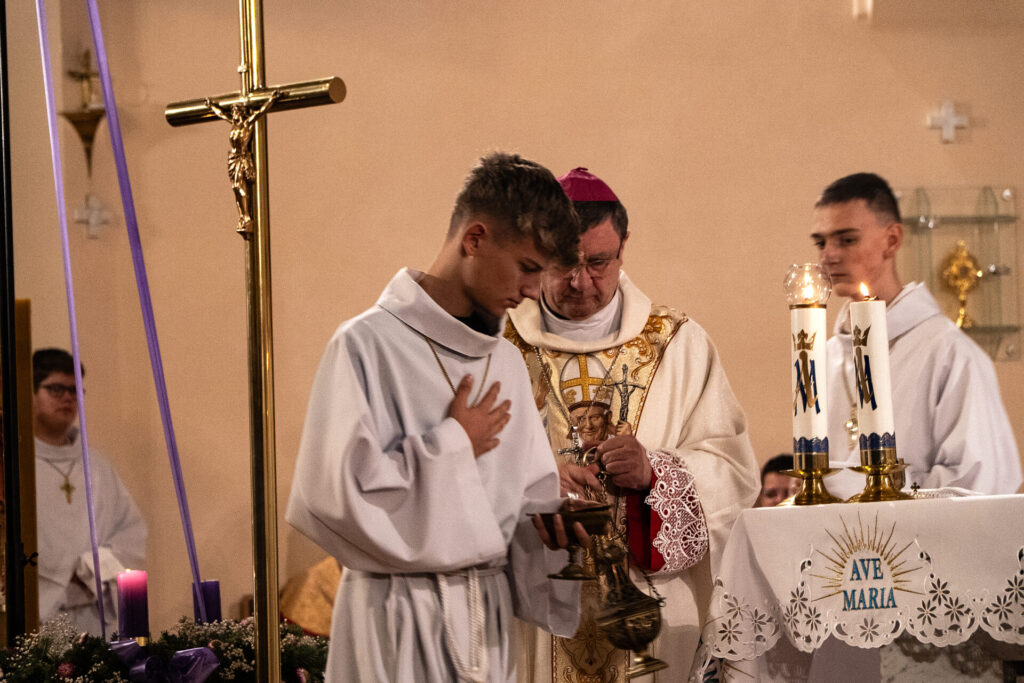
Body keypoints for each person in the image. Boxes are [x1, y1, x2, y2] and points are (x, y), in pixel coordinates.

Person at [286, 152, 588, 682]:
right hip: (395, 617)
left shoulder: (505, 361)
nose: (532, 292)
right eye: (527, 268)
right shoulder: (365, 345)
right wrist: (453, 443)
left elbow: (521, 503)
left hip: (485, 624)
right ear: (475, 239)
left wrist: (551, 528)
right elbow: (333, 499)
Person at [505, 168, 760, 681]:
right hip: (531, 611)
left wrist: (656, 475)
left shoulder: (679, 344)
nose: (581, 281)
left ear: (624, 249)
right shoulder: (498, 345)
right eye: (564, 262)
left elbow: (733, 472)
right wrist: (534, 481)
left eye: (598, 262)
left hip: (650, 607)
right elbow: (458, 469)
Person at [811, 172, 1021, 496]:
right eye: (821, 242)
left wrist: (859, 488)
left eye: (847, 240)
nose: (828, 255)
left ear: (892, 240)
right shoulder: (827, 356)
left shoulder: (950, 353)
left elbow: (982, 483)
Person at [32, 348, 146, 635]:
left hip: (95, 616)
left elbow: (131, 532)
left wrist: (93, 567)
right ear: (29, 394)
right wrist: (65, 572)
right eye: (56, 389)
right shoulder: (16, 468)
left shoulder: (97, 465)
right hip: (39, 617)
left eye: (75, 390)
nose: (68, 398)